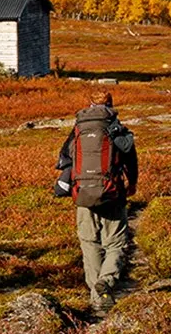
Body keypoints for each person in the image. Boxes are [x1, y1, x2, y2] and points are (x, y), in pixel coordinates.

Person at [55, 91, 138, 315]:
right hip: (113, 194)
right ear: (110, 104)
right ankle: (106, 283)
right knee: (116, 244)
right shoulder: (116, 128)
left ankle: (96, 297)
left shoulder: (78, 130)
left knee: (89, 244)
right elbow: (130, 156)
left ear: (90, 104)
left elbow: (64, 160)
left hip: (82, 195)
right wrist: (132, 183)